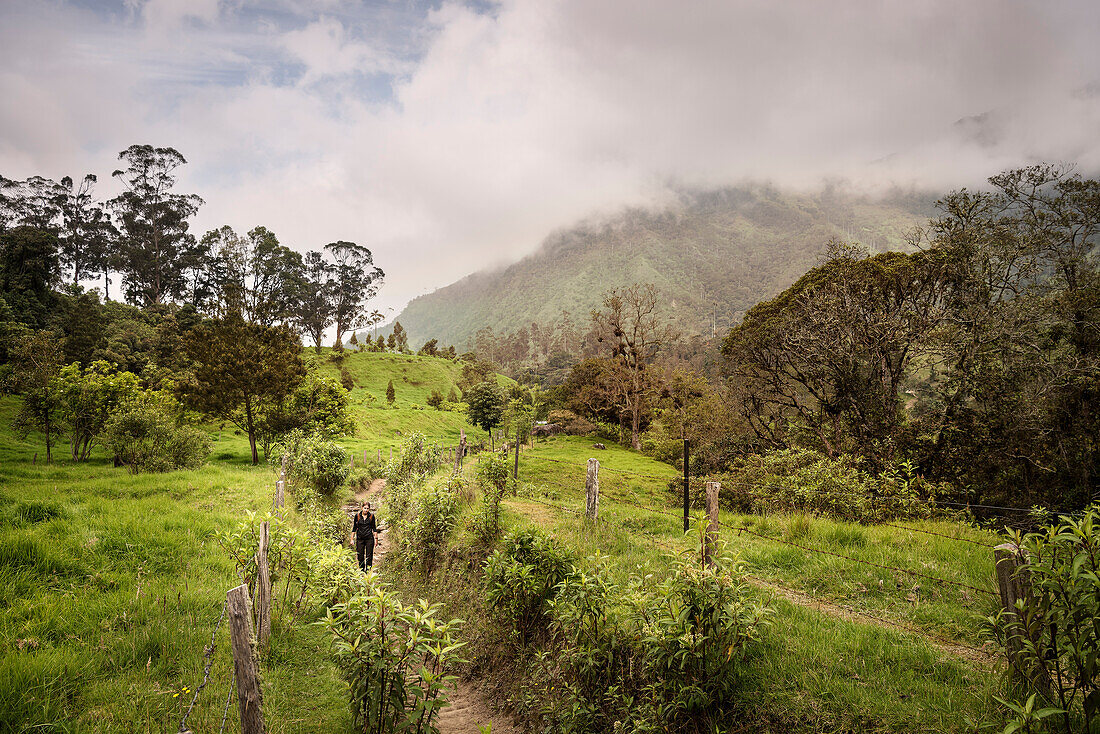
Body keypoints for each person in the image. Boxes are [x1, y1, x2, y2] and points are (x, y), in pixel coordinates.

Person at [353, 502, 381, 572]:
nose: (366, 510)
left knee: (369, 556)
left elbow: (374, 528)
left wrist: (376, 539)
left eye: (367, 508)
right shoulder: (357, 516)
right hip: (360, 539)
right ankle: (362, 571)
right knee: (360, 556)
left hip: (369, 539)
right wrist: (351, 539)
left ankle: (368, 571)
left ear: (369, 509)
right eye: (365, 508)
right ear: (362, 508)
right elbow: (354, 528)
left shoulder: (371, 516)